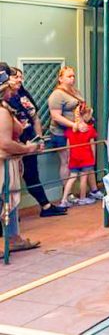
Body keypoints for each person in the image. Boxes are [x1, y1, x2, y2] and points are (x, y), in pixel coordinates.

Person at [5, 66, 66, 217]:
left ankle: (45, 206)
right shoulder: (5, 101)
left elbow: (35, 118)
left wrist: (39, 139)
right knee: (11, 179)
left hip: (30, 140)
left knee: (32, 174)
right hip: (14, 144)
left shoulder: (24, 95)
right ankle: (10, 214)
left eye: (21, 77)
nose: (19, 80)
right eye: (15, 77)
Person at [0, 70, 41, 252]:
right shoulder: (2, 112)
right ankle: (12, 239)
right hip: (3, 165)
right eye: (10, 88)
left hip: (7, 163)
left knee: (7, 202)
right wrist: (27, 149)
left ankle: (13, 238)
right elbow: (5, 143)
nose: (13, 91)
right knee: (5, 201)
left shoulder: (5, 109)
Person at [48, 67, 103, 201]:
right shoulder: (57, 95)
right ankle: (68, 194)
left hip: (80, 132)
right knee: (67, 162)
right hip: (62, 133)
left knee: (88, 160)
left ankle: (93, 189)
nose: (72, 79)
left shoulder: (75, 91)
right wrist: (74, 125)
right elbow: (55, 116)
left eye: (73, 76)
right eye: (68, 76)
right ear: (60, 78)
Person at [60, 107, 99, 207]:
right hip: (86, 157)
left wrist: (69, 157)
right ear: (85, 115)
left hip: (74, 157)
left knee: (72, 177)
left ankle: (64, 199)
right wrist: (93, 157)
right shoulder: (90, 129)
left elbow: (68, 146)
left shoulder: (70, 130)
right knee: (83, 178)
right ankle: (82, 198)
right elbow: (92, 145)